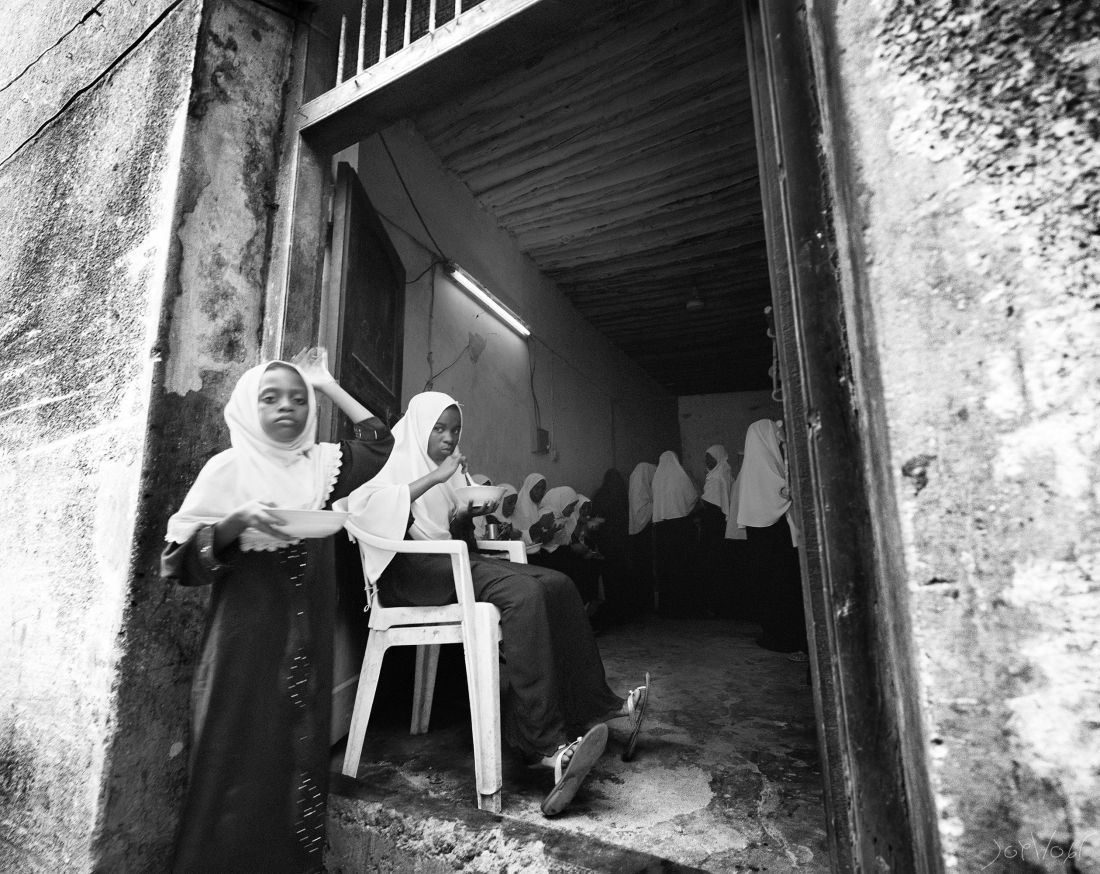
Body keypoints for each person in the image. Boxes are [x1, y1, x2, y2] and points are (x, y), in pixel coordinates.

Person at [341, 392, 650, 812]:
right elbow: (365, 510)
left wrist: (467, 508)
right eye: (439, 428)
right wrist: (438, 479)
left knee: (558, 584)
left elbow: (452, 535)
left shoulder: (445, 474)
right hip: (412, 575)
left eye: (454, 430)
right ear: (417, 427)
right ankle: (544, 745)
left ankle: (599, 707)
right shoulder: (393, 459)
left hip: (449, 565)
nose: (449, 438)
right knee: (523, 596)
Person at [161, 350, 394, 874]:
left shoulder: (321, 468)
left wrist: (329, 384)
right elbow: (175, 564)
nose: (286, 406)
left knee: (299, 759)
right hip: (243, 652)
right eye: (270, 398)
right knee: (234, 762)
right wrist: (233, 523)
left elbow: (381, 441)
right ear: (247, 407)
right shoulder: (228, 469)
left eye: (298, 398)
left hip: (304, 655)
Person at [735, 420, 807, 655]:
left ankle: (775, 634)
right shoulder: (767, 468)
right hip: (775, 538)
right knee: (783, 588)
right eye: (777, 439)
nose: (780, 442)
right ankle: (786, 637)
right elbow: (781, 496)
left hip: (762, 538)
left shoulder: (754, 468)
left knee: (772, 588)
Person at [651, 450, 702, 617]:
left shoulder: (656, 479)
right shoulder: (680, 477)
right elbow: (693, 498)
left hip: (661, 529)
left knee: (666, 568)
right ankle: (685, 607)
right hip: (680, 528)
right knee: (683, 566)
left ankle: (668, 608)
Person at [590, 468, 633, 622]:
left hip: (606, 543)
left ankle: (612, 611)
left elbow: (595, 518)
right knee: (621, 576)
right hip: (621, 542)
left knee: (609, 579)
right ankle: (623, 611)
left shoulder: (601, 495)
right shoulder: (623, 495)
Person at [700, 444, 734, 616]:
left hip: (713, 530)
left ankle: (716, 606)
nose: (707, 461)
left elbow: (711, 506)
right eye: (706, 458)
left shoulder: (715, 479)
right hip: (722, 527)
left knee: (714, 567)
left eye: (710, 458)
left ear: (719, 458)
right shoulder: (726, 474)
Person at [627, 462, 658, 612]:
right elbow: (643, 514)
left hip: (636, 536)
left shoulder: (638, 489)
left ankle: (643, 604)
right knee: (644, 572)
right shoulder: (642, 495)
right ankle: (645, 605)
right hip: (642, 537)